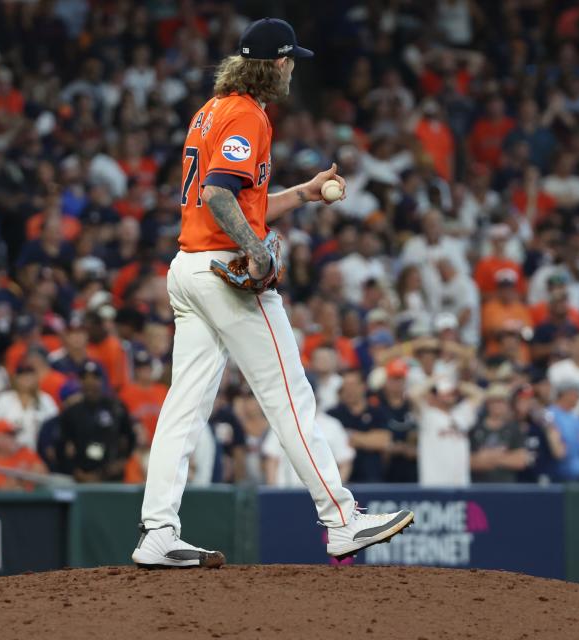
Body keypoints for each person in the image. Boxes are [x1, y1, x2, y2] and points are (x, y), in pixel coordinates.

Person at [134, 18, 412, 569]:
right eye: (289, 60)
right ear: (274, 63)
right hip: (222, 272)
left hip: (188, 269)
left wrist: (301, 195)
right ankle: (342, 520)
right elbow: (218, 195)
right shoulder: (248, 114)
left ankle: (157, 531)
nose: (291, 69)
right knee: (289, 395)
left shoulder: (211, 110)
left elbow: (235, 199)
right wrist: (257, 253)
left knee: (183, 409)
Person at [57, 360, 134, 482]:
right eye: (84, 378)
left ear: (102, 380)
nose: (89, 382)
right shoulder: (71, 412)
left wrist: (121, 463)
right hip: (81, 477)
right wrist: (76, 472)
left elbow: (129, 438)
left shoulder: (116, 407)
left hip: (112, 476)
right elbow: (62, 446)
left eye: (94, 378)